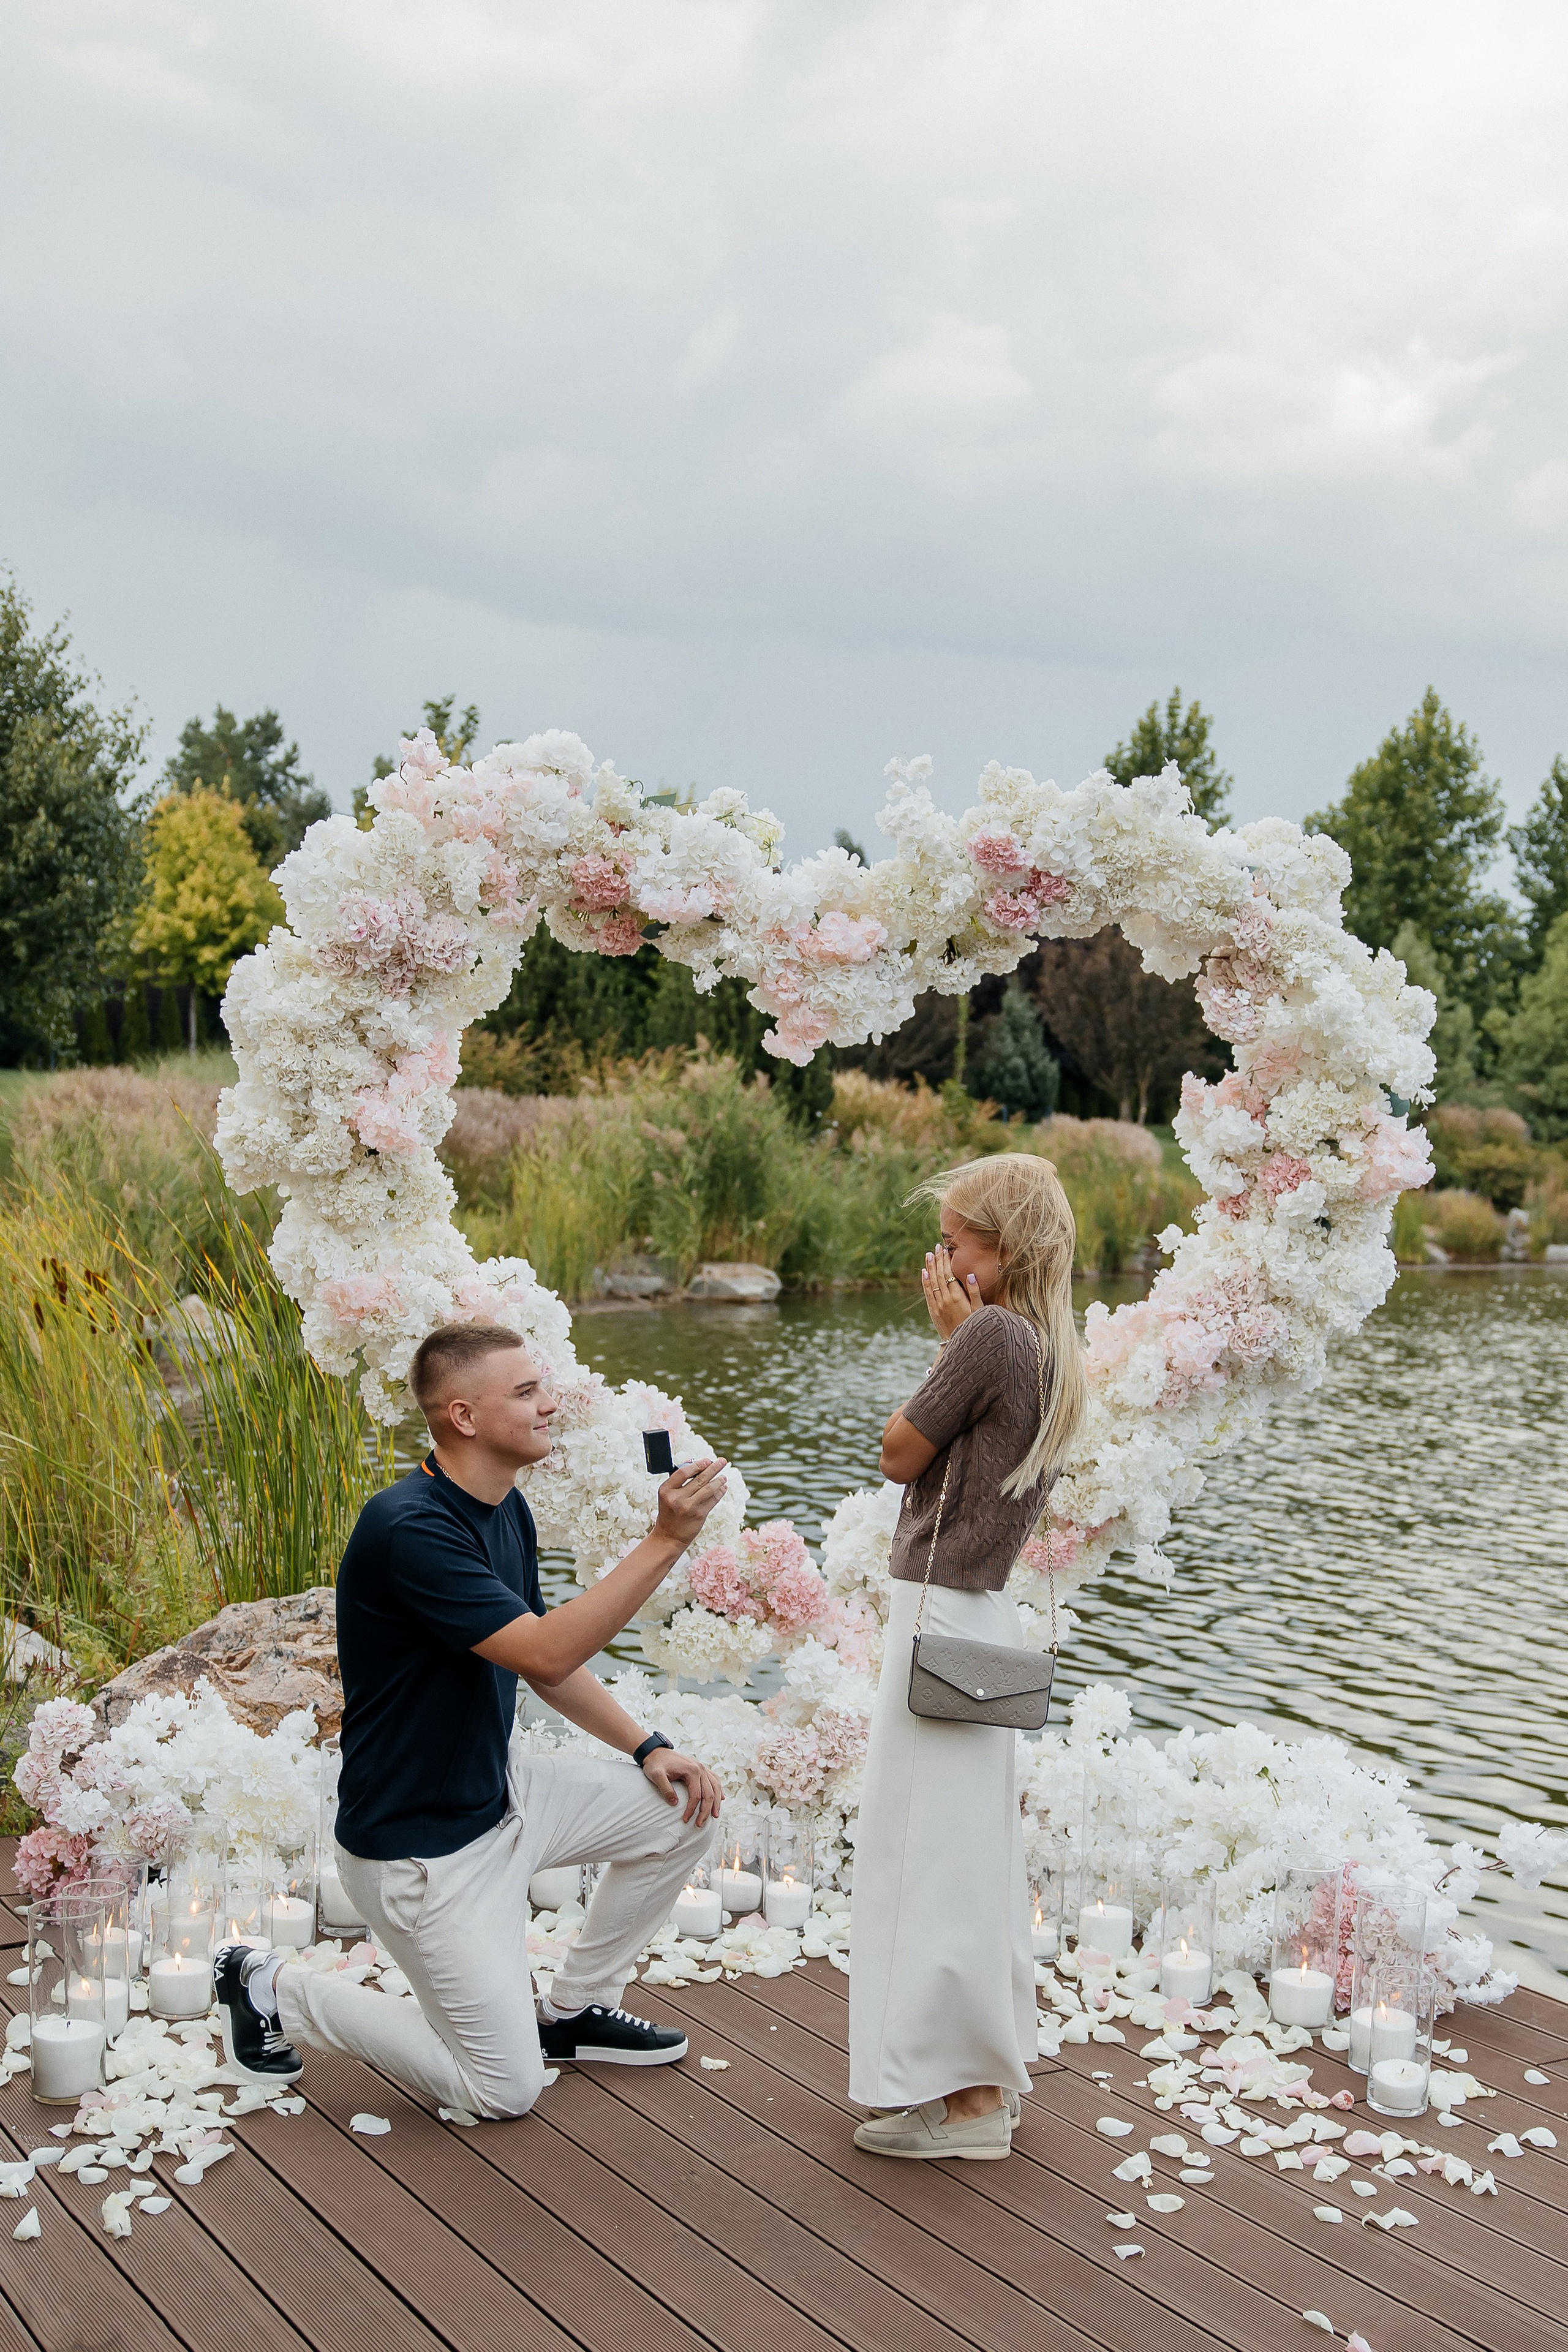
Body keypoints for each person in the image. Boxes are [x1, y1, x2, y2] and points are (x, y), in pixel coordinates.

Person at [211, 1319, 729, 2117]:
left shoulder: (506, 1510)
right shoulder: (410, 1528)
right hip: (424, 1856)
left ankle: (574, 2010)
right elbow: (551, 1654)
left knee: (685, 1807)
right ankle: (270, 1984)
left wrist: (649, 1745)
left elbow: (539, 1660)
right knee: (502, 2090)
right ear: (462, 1416)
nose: (549, 1406)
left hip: (504, 1800)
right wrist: (665, 1539)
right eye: (526, 1393)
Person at [848, 1153, 1088, 2160]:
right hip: (979, 1621)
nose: (939, 1258)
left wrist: (949, 1343)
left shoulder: (990, 1334)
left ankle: (965, 2106)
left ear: (1005, 1249)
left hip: (937, 1618)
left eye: (955, 1240)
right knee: (967, 1862)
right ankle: (981, 2079)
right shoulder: (1050, 1348)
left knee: (924, 1865)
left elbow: (899, 1453)